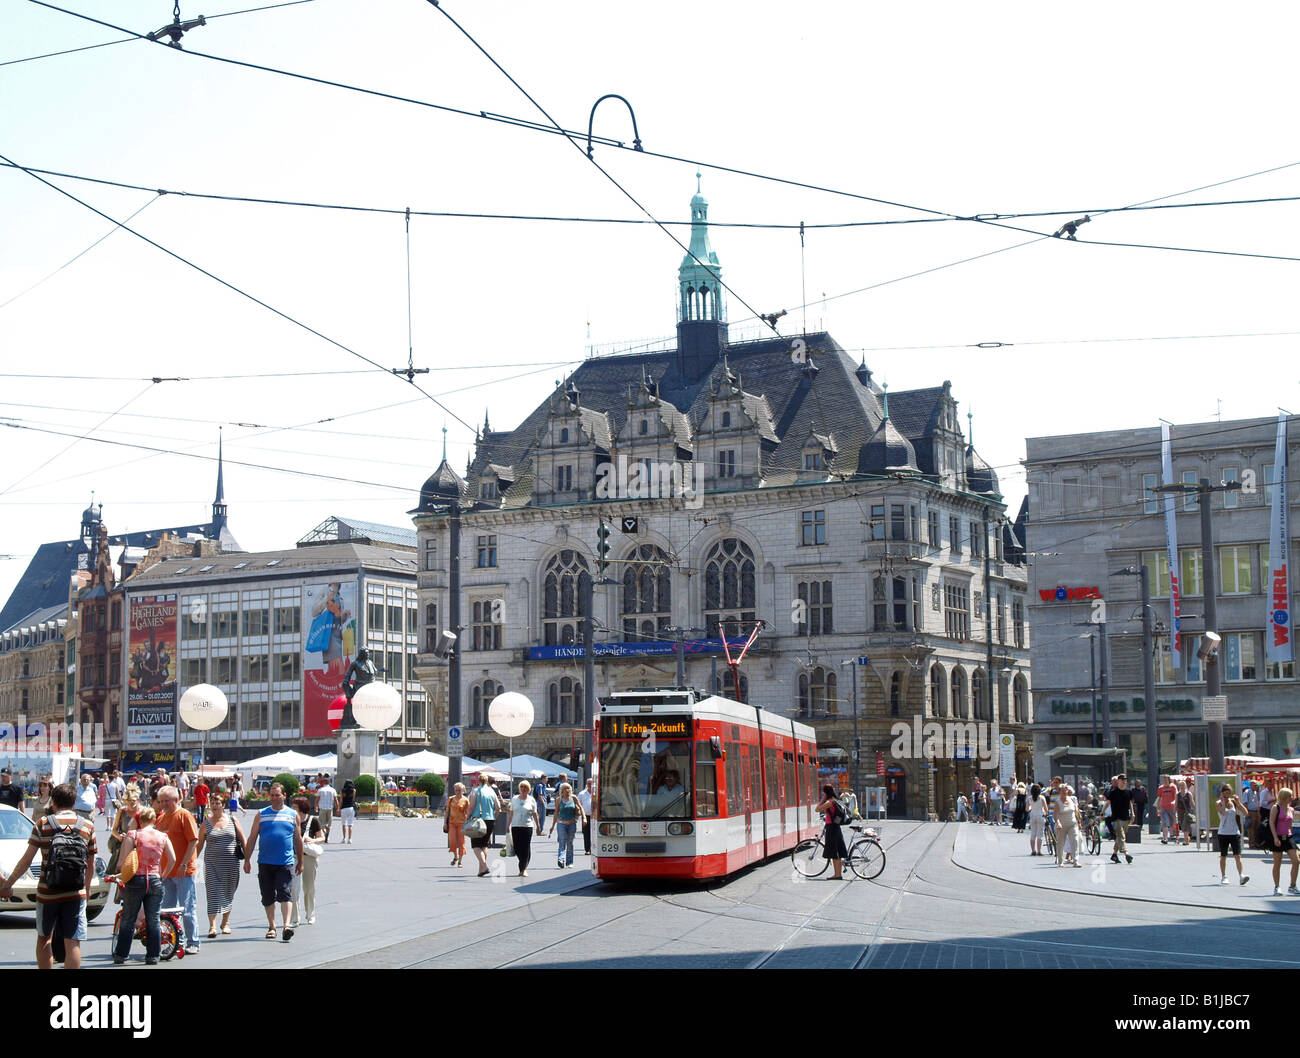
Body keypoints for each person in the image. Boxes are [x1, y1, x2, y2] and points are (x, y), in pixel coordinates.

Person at [0, 782, 96, 969]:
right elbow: (90, 864)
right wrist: (87, 888)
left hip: (47, 891)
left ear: (53, 802)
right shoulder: (87, 826)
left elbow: (26, 860)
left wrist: (8, 884)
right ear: (74, 802)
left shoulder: (43, 824)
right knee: (73, 941)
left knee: (45, 938)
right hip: (75, 893)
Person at [111, 806, 176, 965]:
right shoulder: (162, 836)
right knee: (153, 918)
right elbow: (173, 859)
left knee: (129, 918)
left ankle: (121, 955)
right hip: (155, 878)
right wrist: (162, 875)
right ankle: (153, 955)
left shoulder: (133, 835)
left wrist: (119, 874)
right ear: (154, 819)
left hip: (136, 880)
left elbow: (122, 863)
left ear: (139, 820)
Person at [242, 782, 303, 940]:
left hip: (285, 862)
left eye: (278, 795)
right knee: (267, 896)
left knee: (285, 893)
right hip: (265, 862)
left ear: (284, 796)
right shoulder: (261, 814)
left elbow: (298, 839)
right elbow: (252, 837)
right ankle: (272, 926)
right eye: (272, 795)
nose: (275, 798)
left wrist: (301, 861)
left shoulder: (292, 814)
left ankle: (286, 926)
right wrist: (247, 859)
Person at [155, 785, 201, 955]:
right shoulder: (160, 819)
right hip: (167, 871)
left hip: (184, 870)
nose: (164, 804)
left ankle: (193, 941)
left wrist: (183, 864)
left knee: (187, 908)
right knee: (167, 910)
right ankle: (175, 941)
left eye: (167, 801)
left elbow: (193, 841)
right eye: (161, 802)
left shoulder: (184, 815)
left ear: (176, 800)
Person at [195, 792, 243, 937]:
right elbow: (199, 845)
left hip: (231, 864)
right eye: (213, 803)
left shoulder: (233, 820)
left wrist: (247, 860)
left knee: (228, 892)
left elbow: (243, 839)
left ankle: (226, 922)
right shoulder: (206, 823)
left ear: (223, 805)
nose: (215, 806)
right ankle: (213, 926)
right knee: (213, 893)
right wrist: (193, 862)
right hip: (211, 865)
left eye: (218, 803)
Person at [289, 796, 324, 927]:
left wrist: (312, 840)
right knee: (293, 888)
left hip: (309, 857)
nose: (292, 809)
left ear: (302, 808)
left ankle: (310, 915)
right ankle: (295, 918)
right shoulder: (291, 820)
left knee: (309, 888)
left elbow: (322, 837)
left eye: (295, 807)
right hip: (295, 856)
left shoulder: (313, 820)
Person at [1214, 783, 1250, 886]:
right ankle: (1224, 876)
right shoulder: (1218, 803)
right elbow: (1223, 813)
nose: (1227, 796)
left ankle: (1241, 875)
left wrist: (1238, 802)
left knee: (1237, 855)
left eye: (1229, 794)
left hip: (1234, 832)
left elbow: (1245, 813)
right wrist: (1223, 801)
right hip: (1223, 833)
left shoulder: (1233, 802)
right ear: (1222, 793)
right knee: (1223, 855)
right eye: (1225, 794)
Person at [467, 773, 500, 877]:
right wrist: (494, 817)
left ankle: (484, 866)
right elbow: (498, 807)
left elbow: (471, 806)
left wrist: (467, 816)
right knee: (484, 845)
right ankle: (481, 869)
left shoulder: (476, 791)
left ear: (478, 781)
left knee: (476, 845)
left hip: (478, 820)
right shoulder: (492, 791)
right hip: (490, 820)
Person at [509, 780, 542, 877]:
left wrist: (538, 826)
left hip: (527, 826)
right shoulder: (514, 799)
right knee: (517, 847)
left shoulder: (531, 800)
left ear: (528, 789)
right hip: (515, 826)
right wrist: (507, 825)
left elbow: (535, 814)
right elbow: (511, 813)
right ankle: (523, 864)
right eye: (522, 787)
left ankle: (523, 868)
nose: (523, 789)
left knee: (526, 847)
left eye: (525, 787)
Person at [815, 784, 848, 879]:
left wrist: (823, 799)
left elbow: (817, 809)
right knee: (838, 850)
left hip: (831, 828)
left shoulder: (830, 802)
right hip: (836, 827)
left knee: (834, 851)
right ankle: (838, 874)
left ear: (826, 793)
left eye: (824, 793)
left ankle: (837, 875)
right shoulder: (835, 800)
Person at [549, 782, 585, 868]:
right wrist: (552, 826)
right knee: (562, 842)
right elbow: (556, 812)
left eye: (568, 788)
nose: (567, 790)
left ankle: (569, 862)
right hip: (561, 824)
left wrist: (584, 818)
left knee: (570, 843)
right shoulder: (559, 799)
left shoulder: (574, 798)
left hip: (572, 824)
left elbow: (580, 807)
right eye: (565, 788)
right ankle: (561, 859)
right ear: (562, 790)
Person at [1055, 784, 1083, 867]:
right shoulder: (1058, 802)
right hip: (1062, 825)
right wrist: (1058, 823)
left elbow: (1076, 812)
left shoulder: (1072, 800)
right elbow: (1055, 814)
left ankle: (1076, 861)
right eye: (1062, 791)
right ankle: (1060, 861)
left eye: (1065, 791)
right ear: (1059, 792)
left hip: (1072, 824)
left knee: (1075, 841)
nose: (1064, 792)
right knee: (1060, 843)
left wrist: (1079, 822)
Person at [1107, 774, 1133, 864]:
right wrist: (1102, 813)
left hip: (1126, 817)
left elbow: (1130, 803)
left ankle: (1114, 854)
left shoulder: (1128, 792)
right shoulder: (1113, 792)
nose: (1124, 781)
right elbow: (1108, 803)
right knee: (1121, 837)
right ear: (1118, 781)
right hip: (1116, 817)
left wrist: (1132, 814)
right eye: (1122, 780)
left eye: (1125, 780)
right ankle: (1126, 854)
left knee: (1120, 837)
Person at [445, 782, 470, 867]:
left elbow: (468, 812)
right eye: (456, 790)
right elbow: (447, 811)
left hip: (462, 823)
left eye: (459, 790)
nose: (457, 791)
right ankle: (455, 856)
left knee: (461, 842)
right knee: (452, 841)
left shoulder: (465, 800)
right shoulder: (451, 799)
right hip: (452, 823)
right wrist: (445, 823)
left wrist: (468, 823)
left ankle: (460, 861)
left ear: (462, 790)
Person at [1027, 783, 1048, 855]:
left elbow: (1027, 809)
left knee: (1033, 833)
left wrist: (1031, 808)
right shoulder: (1042, 798)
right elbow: (1046, 809)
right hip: (1040, 815)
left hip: (1033, 815)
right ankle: (1039, 851)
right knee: (1040, 834)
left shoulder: (1029, 798)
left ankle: (1033, 850)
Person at [1156, 775, 1178, 844]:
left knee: (1173, 823)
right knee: (1164, 823)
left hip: (1172, 808)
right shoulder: (1161, 788)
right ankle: (1165, 838)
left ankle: (1176, 837)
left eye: (1166, 780)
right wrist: (1158, 809)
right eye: (1164, 780)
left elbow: (1176, 796)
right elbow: (1159, 799)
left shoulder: (1173, 787)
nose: (1165, 781)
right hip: (1164, 808)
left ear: (1169, 780)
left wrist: (1174, 803)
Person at [316, 776, 337, 842]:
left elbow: (317, 800)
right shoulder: (333, 790)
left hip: (322, 808)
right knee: (329, 824)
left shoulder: (320, 790)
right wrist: (338, 808)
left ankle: (324, 833)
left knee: (322, 823)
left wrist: (316, 807)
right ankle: (327, 835)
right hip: (330, 808)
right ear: (330, 783)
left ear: (323, 783)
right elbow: (336, 800)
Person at [578, 777, 595, 855]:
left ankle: (594, 849)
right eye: (588, 783)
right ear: (586, 784)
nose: (590, 785)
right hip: (586, 816)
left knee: (594, 833)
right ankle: (587, 849)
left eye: (591, 783)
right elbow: (578, 805)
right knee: (586, 833)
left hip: (595, 817)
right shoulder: (582, 794)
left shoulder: (596, 792)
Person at [1243, 780, 1262, 849]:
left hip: (1256, 811)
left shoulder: (1256, 792)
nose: (1256, 787)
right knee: (1251, 828)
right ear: (1251, 785)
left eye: (1257, 785)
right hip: (1250, 812)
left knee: (1256, 828)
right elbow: (1244, 803)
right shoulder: (1247, 792)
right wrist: (1247, 813)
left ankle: (1256, 842)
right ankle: (1251, 843)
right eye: (1255, 785)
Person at [1176, 780, 1194, 846]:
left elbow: (1192, 803)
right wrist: (1174, 812)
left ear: (1185, 786)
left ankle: (1185, 840)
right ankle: (1187, 838)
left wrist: (1196, 810)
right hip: (1180, 811)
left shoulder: (1189, 794)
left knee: (1185, 825)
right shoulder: (1178, 794)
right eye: (1180, 785)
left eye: (1183, 785)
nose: (1182, 787)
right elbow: (1176, 803)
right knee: (1182, 826)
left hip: (1187, 811)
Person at [339, 779, 356, 844]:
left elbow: (341, 800)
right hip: (351, 808)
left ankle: (344, 838)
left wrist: (338, 808)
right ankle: (350, 839)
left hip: (344, 808)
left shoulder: (342, 791)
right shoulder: (353, 790)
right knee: (350, 825)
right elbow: (353, 799)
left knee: (344, 824)